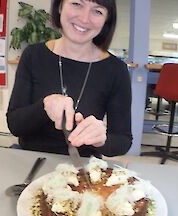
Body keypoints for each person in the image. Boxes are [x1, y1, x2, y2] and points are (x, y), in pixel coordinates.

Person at [7, 0, 132, 157]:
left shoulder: (116, 70)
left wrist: (102, 139)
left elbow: (123, 140)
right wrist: (44, 107)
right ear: (60, 6)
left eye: (97, 11)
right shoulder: (33, 55)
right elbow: (14, 124)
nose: (85, 19)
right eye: (77, 4)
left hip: (84, 170)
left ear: (106, 20)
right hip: (32, 162)